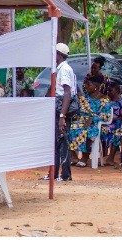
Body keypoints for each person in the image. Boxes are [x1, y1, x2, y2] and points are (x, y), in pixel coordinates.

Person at [47, 42, 77, 182]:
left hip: (61, 107)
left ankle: (65, 175)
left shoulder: (64, 69)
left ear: (59, 55)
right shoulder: (61, 68)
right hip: (59, 106)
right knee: (57, 141)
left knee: (62, 141)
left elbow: (67, 93)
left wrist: (62, 116)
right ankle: (54, 174)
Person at [67, 76, 111, 166]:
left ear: (96, 86)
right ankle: (73, 157)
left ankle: (85, 157)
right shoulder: (85, 98)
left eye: (88, 85)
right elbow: (79, 111)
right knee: (68, 128)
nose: (86, 86)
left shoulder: (104, 100)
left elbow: (107, 116)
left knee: (86, 130)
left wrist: (93, 118)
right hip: (82, 121)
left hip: (98, 125)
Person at [103, 82, 122, 168]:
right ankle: (107, 157)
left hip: (115, 124)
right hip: (104, 124)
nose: (109, 92)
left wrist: (112, 118)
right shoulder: (106, 101)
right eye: (108, 90)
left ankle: (110, 158)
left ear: (117, 91)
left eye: (111, 90)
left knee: (117, 133)